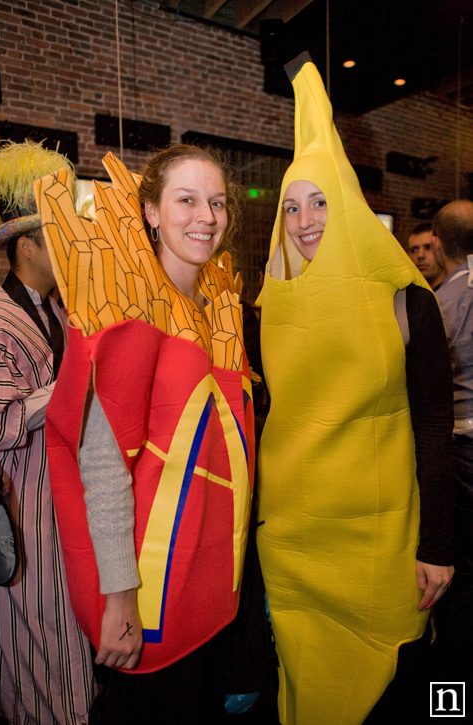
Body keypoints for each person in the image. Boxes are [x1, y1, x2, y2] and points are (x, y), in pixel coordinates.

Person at [256, 53, 454, 725]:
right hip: (293, 545)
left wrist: (437, 544)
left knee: (397, 690)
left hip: (380, 545)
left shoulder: (405, 301)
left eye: (319, 201)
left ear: (345, 205)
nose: (306, 220)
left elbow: (432, 425)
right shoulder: (268, 307)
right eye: (290, 206)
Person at [34, 145, 259, 723]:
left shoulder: (218, 307)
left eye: (216, 202)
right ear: (152, 213)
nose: (206, 216)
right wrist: (119, 597)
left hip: (214, 589)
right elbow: (103, 466)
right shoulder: (126, 303)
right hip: (151, 593)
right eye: (186, 200)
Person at [0, 141, 95, 724]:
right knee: (28, 658)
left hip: (61, 515)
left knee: (67, 649)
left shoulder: (56, 313)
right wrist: (77, 379)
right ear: (27, 245)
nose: (71, 248)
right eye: (58, 235)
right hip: (22, 521)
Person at [430, 200, 473, 697]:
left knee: (460, 580)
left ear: (438, 245)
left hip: (463, 448)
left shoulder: (443, 301)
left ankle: (451, 703)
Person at [407, 221, 446, 290]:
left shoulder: (454, 293)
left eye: (428, 247)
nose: (420, 255)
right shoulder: (408, 294)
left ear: (442, 250)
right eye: (414, 250)